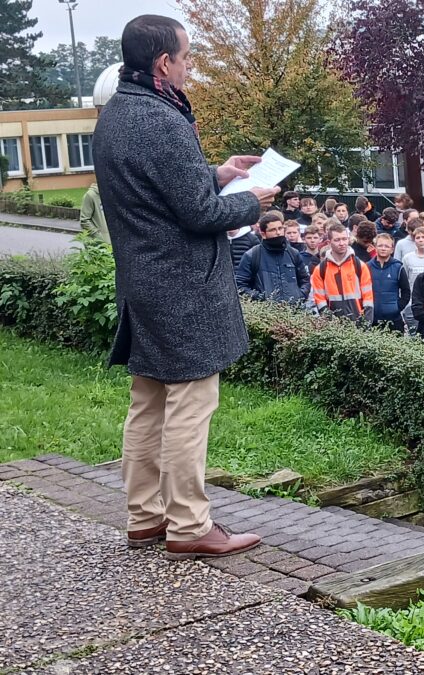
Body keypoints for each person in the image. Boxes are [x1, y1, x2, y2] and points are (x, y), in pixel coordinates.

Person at [93, 14, 279, 558]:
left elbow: (159, 190)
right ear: (163, 64)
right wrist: (252, 199)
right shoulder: (161, 120)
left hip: (142, 282)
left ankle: (145, 517)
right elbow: (198, 214)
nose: (192, 65)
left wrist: (217, 173)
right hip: (183, 286)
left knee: (148, 402)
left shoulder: (116, 116)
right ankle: (190, 525)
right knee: (190, 405)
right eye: (188, 56)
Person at [235, 211, 310, 304]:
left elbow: (305, 280)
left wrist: (299, 296)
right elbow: (240, 286)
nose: (278, 233)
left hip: (294, 312)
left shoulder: (293, 253)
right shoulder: (252, 255)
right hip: (265, 314)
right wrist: (261, 299)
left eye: (280, 228)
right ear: (263, 234)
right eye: (273, 230)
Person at [310, 223, 375, 324]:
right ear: (329, 242)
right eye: (337, 240)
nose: (342, 243)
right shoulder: (320, 269)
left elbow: (368, 297)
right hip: (332, 325)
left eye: (344, 239)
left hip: (358, 322)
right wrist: (330, 321)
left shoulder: (360, 266)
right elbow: (320, 300)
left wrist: (366, 322)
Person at [368, 232, 411, 331]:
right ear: (375, 247)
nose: (383, 248)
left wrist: (397, 307)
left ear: (392, 249)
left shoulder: (398, 267)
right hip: (373, 319)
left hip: (394, 320)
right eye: (380, 245)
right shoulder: (367, 267)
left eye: (387, 246)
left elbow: (406, 292)